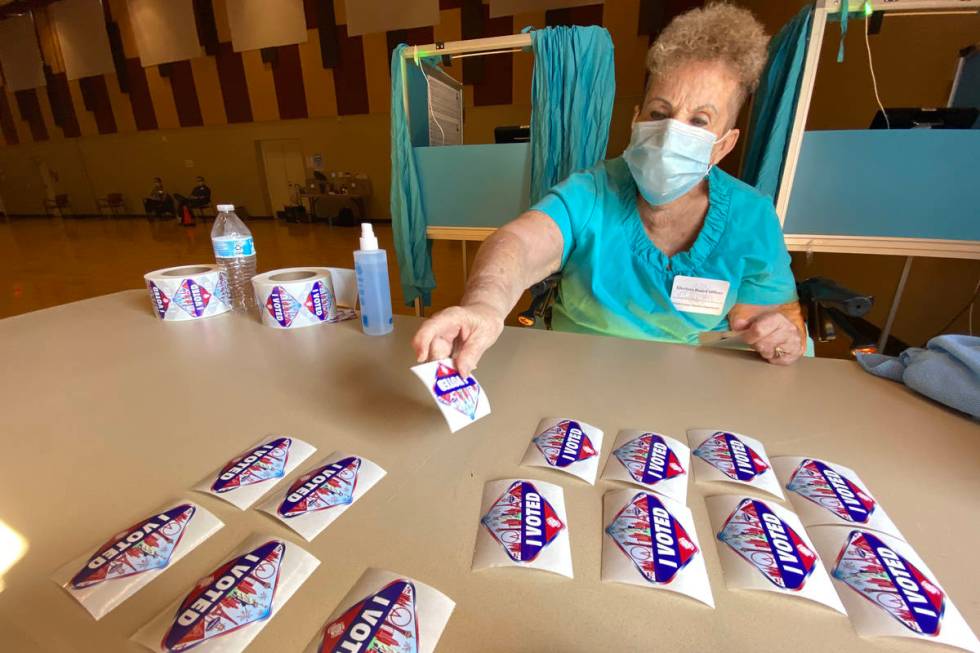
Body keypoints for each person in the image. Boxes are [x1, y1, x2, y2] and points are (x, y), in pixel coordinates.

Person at [413, 2, 806, 377]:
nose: (672, 132)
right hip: (577, 376)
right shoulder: (594, 191)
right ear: (636, 120)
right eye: (659, 113)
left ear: (724, 144)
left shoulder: (751, 216)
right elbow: (519, 242)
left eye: (700, 121)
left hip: (692, 386)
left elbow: (775, 320)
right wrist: (484, 306)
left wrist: (782, 337)